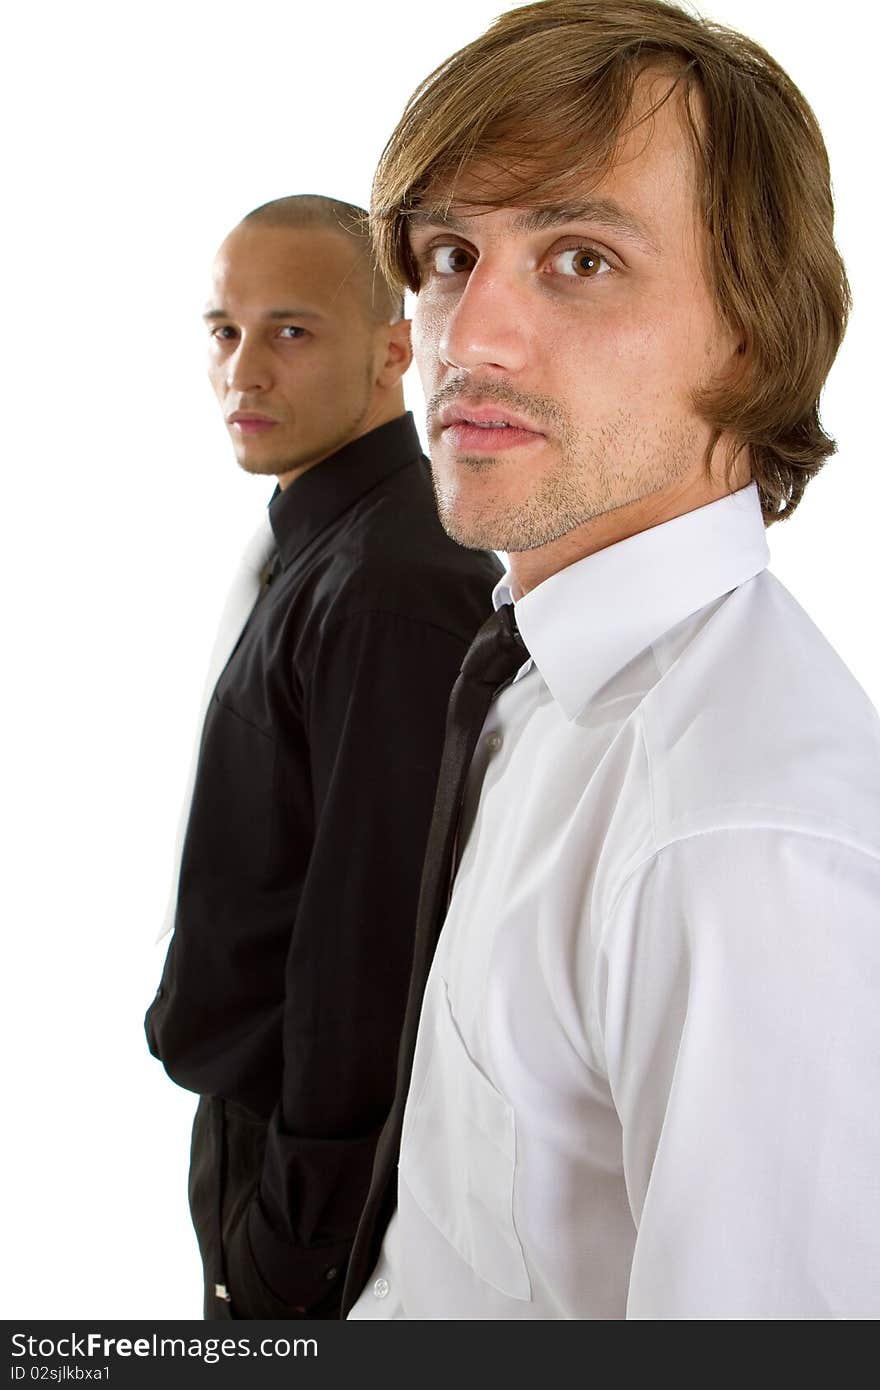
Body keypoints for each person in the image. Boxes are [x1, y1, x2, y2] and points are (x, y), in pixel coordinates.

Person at [344, 0, 880, 1320]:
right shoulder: (553, 678)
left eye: (581, 259)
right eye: (452, 254)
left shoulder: (741, 844)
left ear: (756, 331)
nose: (466, 340)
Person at [145, 194, 501, 1320]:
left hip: (316, 1202)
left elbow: (373, 944)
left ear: (396, 349)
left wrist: (293, 1249)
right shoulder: (321, 540)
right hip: (261, 1153)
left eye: (290, 331)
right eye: (225, 331)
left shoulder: (390, 582)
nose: (244, 370)